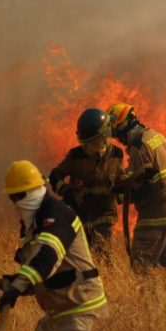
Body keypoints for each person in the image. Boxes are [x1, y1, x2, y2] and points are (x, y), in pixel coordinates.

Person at [0, 160, 108, 331]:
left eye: (17, 196)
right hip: (59, 307)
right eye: (11, 198)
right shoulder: (33, 222)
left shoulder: (57, 215)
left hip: (79, 306)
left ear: (31, 192)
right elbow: (38, 268)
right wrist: (16, 283)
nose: (15, 204)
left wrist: (18, 287)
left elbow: (47, 259)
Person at [105, 103, 166, 271]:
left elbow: (144, 189)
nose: (118, 139)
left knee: (141, 263)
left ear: (124, 125)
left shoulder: (139, 147)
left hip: (156, 211)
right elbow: (149, 174)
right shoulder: (155, 136)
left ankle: (150, 292)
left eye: (117, 133)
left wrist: (118, 196)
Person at [49, 108, 124, 262]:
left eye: (92, 142)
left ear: (105, 136)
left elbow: (120, 181)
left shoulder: (117, 154)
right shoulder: (75, 155)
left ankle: (107, 276)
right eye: (85, 143)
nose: (88, 147)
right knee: (80, 257)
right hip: (80, 215)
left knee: (102, 255)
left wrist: (126, 189)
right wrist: (66, 191)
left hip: (104, 216)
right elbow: (55, 176)